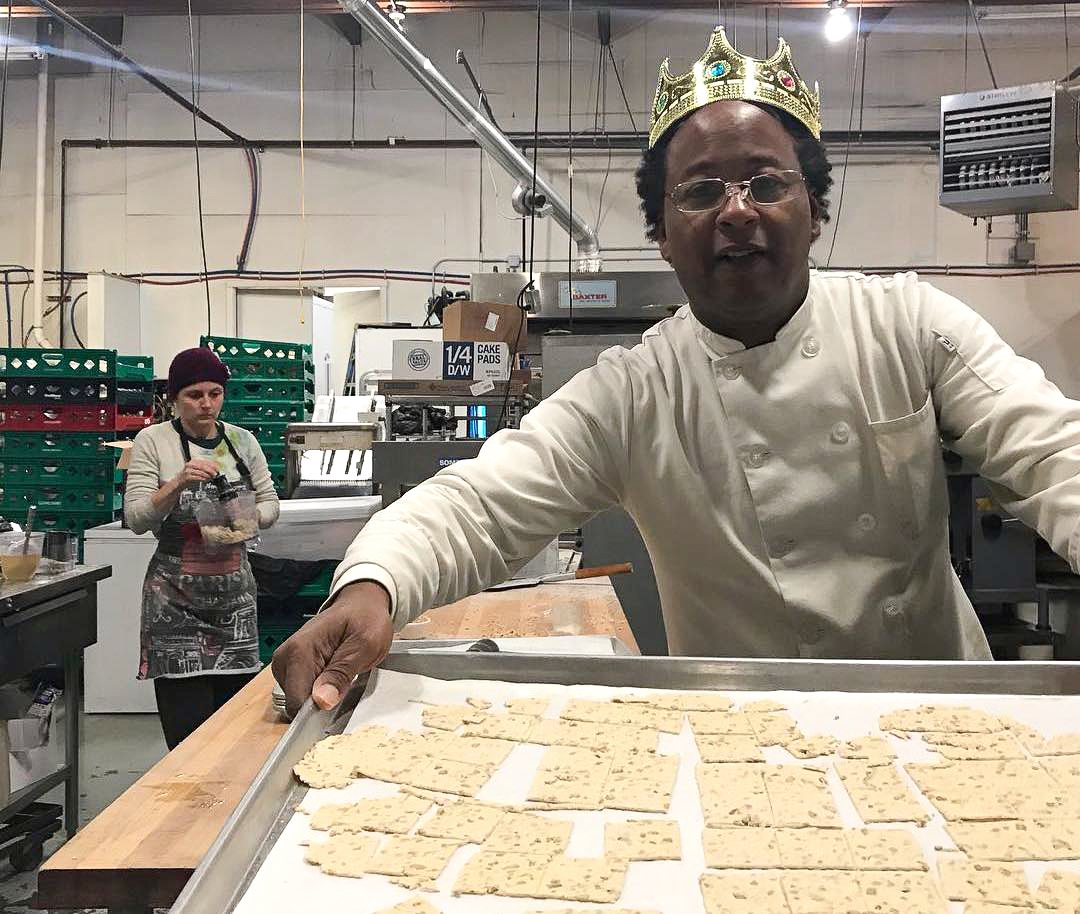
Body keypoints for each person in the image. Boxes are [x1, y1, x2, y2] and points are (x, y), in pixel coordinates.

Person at [273, 28, 1080, 717]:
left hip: (935, 719)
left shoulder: (908, 324)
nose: (737, 210)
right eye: (700, 192)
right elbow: (477, 507)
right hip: (737, 735)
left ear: (815, 210)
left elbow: (1051, 452)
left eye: (767, 183)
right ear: (662, 233)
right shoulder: (635, 392)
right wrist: (370, 588)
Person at [125, 347, 280, 748]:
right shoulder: (153, 442)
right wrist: (176, 484)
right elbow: (137, 519)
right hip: (176, 604)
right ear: (174, 398)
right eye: (195, 394)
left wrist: (243, 517)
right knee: (188, 736)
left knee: (236, 733)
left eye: (215, 393)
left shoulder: (242, 443)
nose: (207, 403)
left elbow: (271, 504)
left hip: (235, 606)